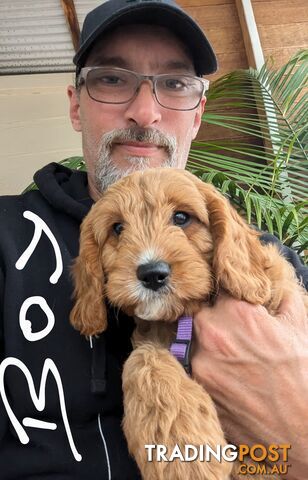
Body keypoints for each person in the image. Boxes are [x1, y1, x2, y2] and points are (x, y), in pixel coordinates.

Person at [0, 0, 307, 478]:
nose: (145, 112)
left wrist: (295, 428)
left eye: (175, 83)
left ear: (199, 113)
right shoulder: (7, 236)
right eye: (112, 79)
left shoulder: (268, 258)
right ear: (75, 105)